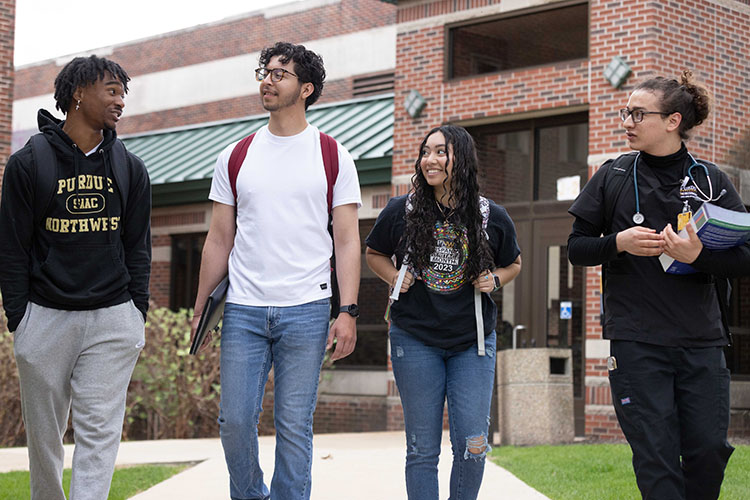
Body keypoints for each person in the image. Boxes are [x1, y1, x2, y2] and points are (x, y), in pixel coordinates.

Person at [189, 41, 361, 500]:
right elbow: (218, 238)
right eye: (264, 71)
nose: (267, 79)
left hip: (307, 308)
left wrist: (347, 310)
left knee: (293, 426)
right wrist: (202, 303)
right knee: (235, 422)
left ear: (306, 88)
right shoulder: (235, 155)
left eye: (279, 73)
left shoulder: (333, 155)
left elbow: (346, 240)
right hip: (243, 308)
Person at [567, 71, 750, 500]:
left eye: (637, 113)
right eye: (625, 112)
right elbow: (577, 248)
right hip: (637, 342)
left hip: (701, 341)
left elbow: (745, 258)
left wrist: (698, 256)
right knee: (655, 455)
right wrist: (619, 243)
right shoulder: (612, 176)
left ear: (672, 120)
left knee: (708, 450)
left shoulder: (711, 181)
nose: (626, 121)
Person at [0, 55, 151, 500]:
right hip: (45, 318)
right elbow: (11, 247)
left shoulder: (130, 168)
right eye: (111, 90)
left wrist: (135, 312)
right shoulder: (29, 164)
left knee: (100, 432)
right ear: (78, 93)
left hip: (112, 319)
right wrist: (19, 320)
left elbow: (138, 245)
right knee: (45, 439)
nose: (120, 101)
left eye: (123, 92)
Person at [365, 125, 521, 500]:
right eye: (426, 152)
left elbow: (513, 263)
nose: (429, 160)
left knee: (473, 443)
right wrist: (393, 278)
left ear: (461, 160)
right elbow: (373, 253)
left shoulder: (490, 215)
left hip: (472, 342)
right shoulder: (402, 209)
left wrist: (495, 280)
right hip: (415, 339)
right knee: (422, 448)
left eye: (440, 152)